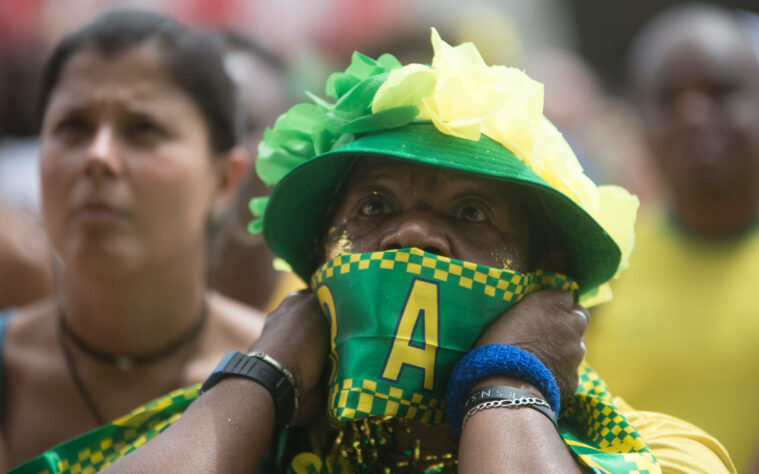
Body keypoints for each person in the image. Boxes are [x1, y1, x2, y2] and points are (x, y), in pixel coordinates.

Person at [97, 28, 736, 473]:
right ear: (320, 259)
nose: (413, 235)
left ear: (549, 280)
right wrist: (265, 374)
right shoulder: (210, 432)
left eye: (471, 212)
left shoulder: (662, 454)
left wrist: (506, 379)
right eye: (374, 206)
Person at [0, 9, 267, 471]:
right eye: (72, 127)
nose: (98, 157)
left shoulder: (283, 378)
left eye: (143, 129)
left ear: (225, 179)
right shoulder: (10, 368)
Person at [585, 4, 759, 472]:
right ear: (639, 120)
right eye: (667, 98)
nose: (694, 115)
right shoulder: (600, 262)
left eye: (720, 91)